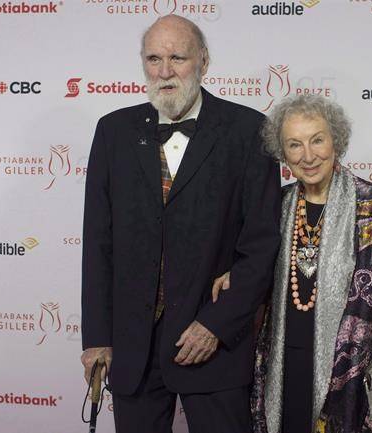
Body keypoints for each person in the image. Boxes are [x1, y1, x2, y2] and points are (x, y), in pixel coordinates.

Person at [80, 14, 281, 433]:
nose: (165, 71)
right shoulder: (113, 131)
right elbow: (99, 243)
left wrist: (217, 323)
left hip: (213, 344)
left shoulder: (249, 131)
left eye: (177, 57)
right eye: (153, 58)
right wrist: (97, 337)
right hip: (134, 347)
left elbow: (261, 244)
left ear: (204, 61)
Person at [212, 94, 372, 433]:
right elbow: (256, 265)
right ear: (283, 154)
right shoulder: (276, 205)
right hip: (283, 362)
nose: (308, 156)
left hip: (350, 369)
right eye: (294, 145)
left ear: (336, 141)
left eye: (317, 140)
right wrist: (234, 277)